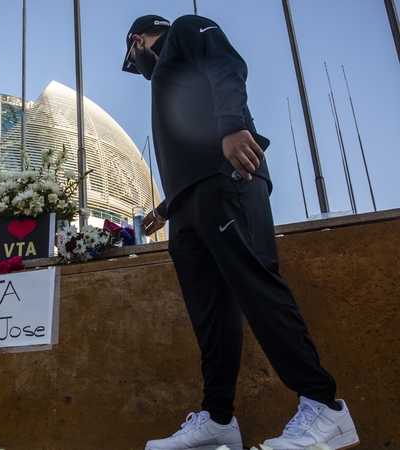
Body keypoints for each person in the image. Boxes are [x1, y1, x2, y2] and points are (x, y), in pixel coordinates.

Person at [122, 14, 359, 450]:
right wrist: (164, 208)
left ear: (137, 42)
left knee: (256, 285)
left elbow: (226, 64)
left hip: (227, 176)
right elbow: (185, 144)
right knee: (209, 314)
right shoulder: (168, 80)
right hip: (187, 205)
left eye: (134, 62)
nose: (139, 72)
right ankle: (217, 419)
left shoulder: (189, 30)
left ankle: (325, 406)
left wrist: (233, 125)